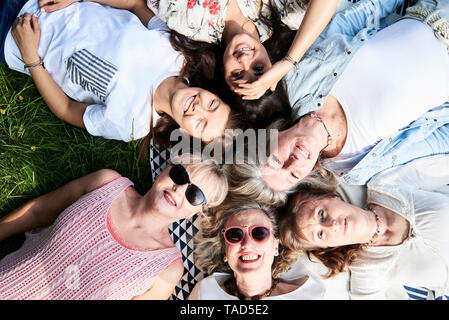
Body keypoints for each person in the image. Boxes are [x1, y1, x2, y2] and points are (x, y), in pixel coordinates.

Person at [258, 0, 449, 192]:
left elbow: (354, 19)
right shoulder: (359, 167)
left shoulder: (300, 81)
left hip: (436, 10)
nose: (293, 164)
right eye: (294, 175)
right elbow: (439, 140)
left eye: (276, 162)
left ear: (270, 138)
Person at [1, 0, 239, 145]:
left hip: (12, 37)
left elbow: (67, 109)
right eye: (212, 105)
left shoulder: (131, 124)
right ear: (214, 92)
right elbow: (133, 4)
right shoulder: (177, 51)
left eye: (200, 124)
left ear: (187, 135)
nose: (198, 108)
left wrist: (31, 58)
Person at [0, 155, 229, 299]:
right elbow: (38, 211)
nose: (179, 190)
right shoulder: (106, 183)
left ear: (200, 211)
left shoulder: (167, 270)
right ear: (165, 170)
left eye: (194, 194)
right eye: (179, 175)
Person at [279, 154, 449, 299]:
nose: (332, 225)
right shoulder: (368, 269)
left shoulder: (388, 184)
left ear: (331, 197)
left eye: (321, 215)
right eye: (321, 235)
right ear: (327, 246)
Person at [188, 200, 325, 300]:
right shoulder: (204, 292)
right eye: (235, 235)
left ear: (275, 246)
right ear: (225, 251)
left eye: (260, 233)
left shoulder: (311, 294)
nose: (247, 244)